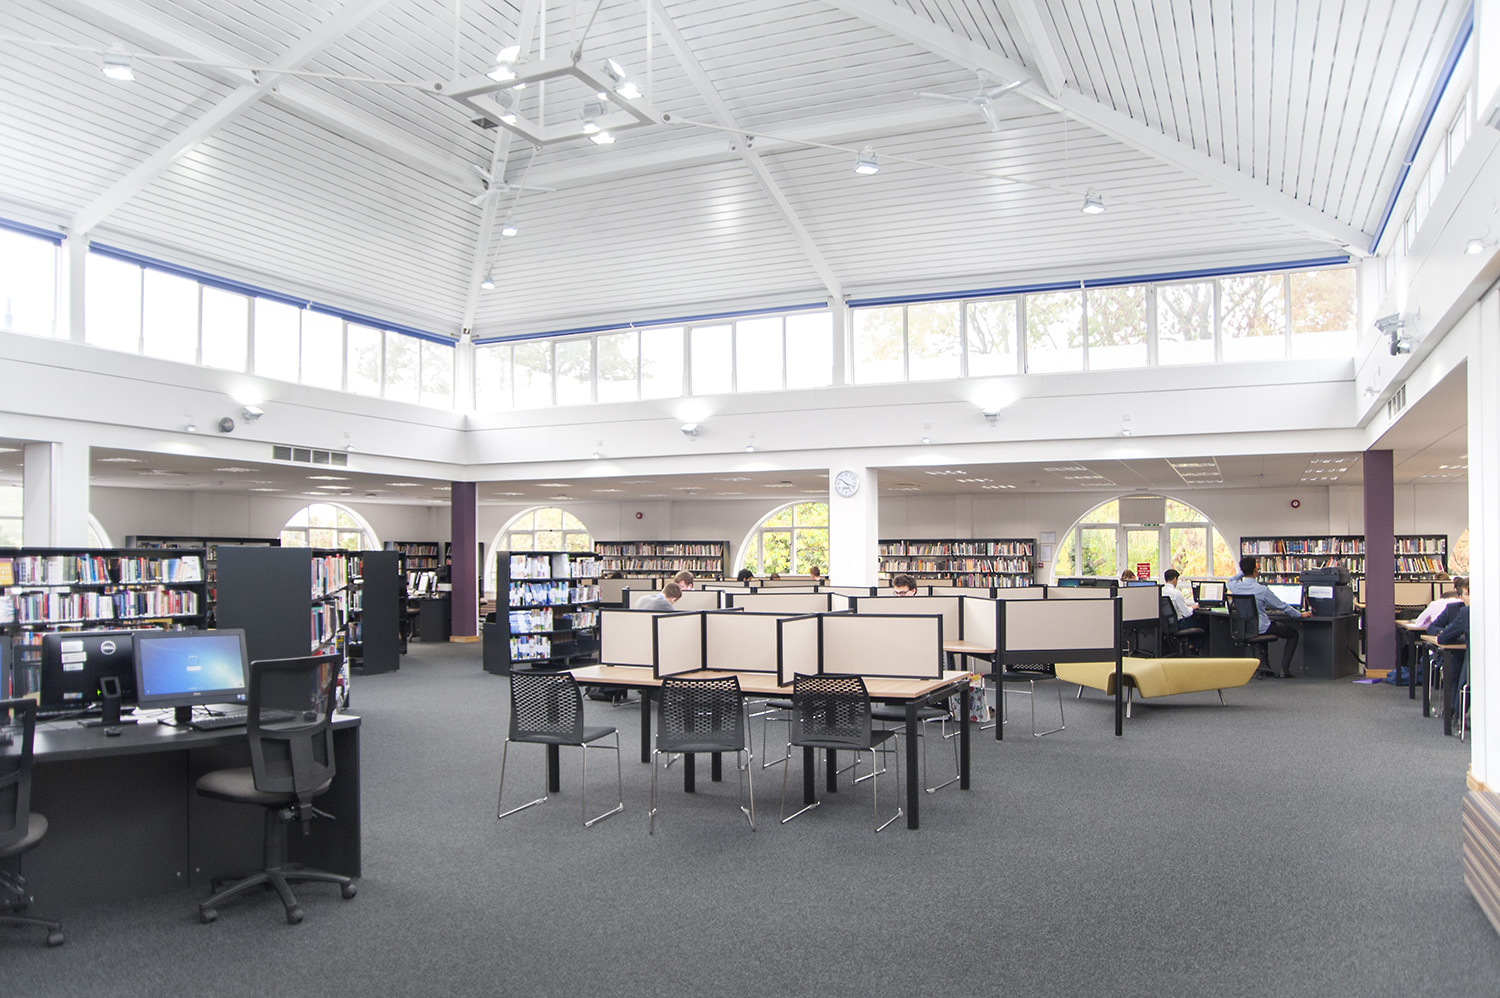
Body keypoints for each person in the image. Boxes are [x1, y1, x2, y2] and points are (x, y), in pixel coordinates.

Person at [1227, 556, 1311, 678]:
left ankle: (1265, 668)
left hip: (1244, 628)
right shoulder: (1262, 590)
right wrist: (1299, 614)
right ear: (1255, 571)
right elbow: (1281, 606)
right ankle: (1284, 670)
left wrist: (1243, 572)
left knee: (1264, 628)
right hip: (1261, 628)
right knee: (1293, 634)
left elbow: (1230, 580)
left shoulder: (1235, 586)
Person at [1437, 590, 1471, 726]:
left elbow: (1443, 637)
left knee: (1458, 666)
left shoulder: (1466, 613)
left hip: (1475, 666)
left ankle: (1457, 713)